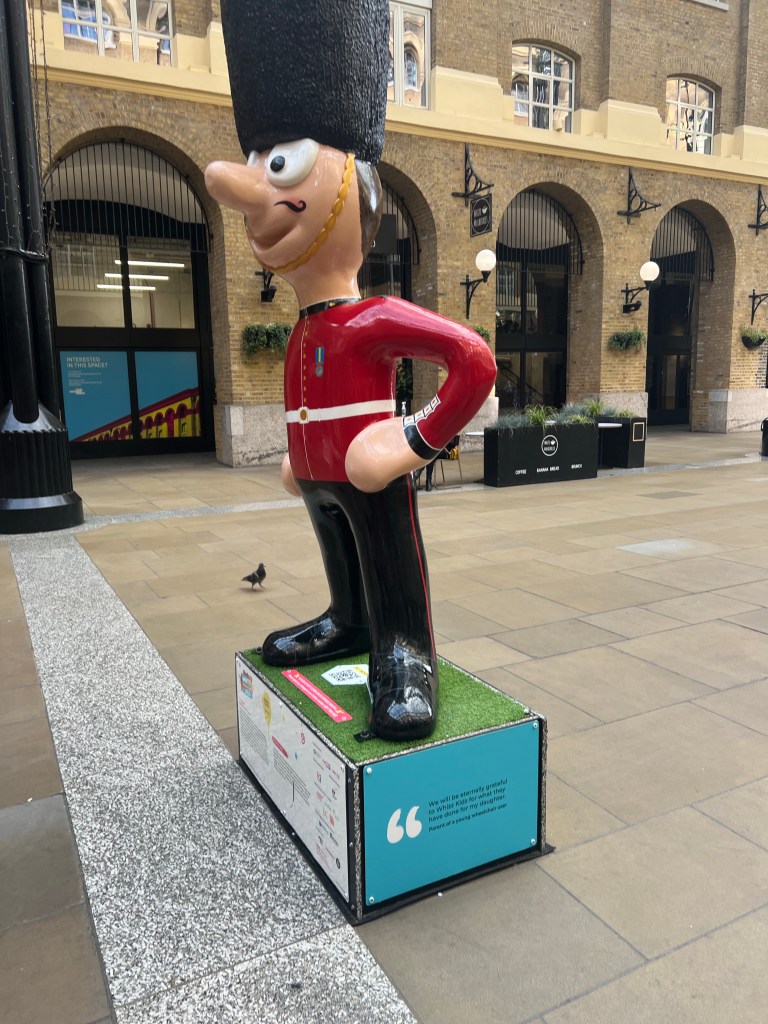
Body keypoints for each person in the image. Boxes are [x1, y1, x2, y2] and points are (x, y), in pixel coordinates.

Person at [206, 0, 497, 739]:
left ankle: (405, 649)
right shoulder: (305, 327)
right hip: (318, 473)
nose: (254, 191)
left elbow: (474, 361)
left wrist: (412, 440)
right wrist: (298, 451)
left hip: (368, 471)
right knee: (340, 553)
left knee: (388, 557)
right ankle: (348, 620)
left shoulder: (372, 318)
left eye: (280, 167)